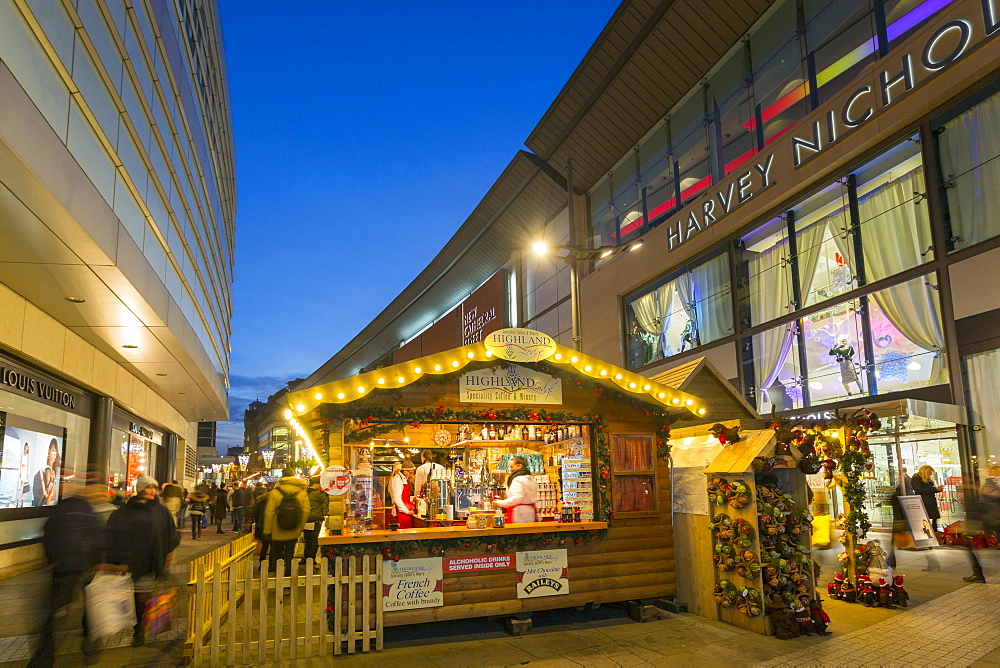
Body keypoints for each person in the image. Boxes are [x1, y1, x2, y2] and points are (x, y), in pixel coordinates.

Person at [29, 483, 106, 667]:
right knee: (91, 610)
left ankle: (42, 660)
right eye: (99, 494)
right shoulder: (88, 511)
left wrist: (51, 560)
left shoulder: (61, 509)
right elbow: (98, 538)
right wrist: (97, 562)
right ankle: (90, 648)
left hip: (62, 567)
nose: (102, 497)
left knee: (52, 615)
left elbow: (47, 533)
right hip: (84, 568)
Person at [102, 475, 180, 647]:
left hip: (151, 564)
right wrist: (113, 562)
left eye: (154, 487)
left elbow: (171, 537)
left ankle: (139, 629)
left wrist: (168, 560)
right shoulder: (123, 512)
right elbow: (112, 537)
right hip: (129, 564)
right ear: (139, 489)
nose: (152, 491)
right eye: (148, 487)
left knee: (141, 599)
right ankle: (135, 626)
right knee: (131, 600)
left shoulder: (162, 512)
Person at [263, 469, 308, 572]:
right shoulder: (302, 492)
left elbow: (269, 512)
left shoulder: (275, 492)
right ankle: (288, 575)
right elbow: (306, 511)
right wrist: (300, 527)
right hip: (294, 528)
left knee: (277, 554)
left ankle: (279, 578)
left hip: (277, 529)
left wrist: (267, 530)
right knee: (290, 554)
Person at [964, 466, 1000, 583]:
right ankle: (977, 574)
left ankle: (978, 574)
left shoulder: (991, 481)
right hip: (992, 517)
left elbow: (987, 496)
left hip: (990, 517)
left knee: (968, 542)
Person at [494, 456, 539, 523]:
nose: (510, 470)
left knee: (520, 532)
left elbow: (517, 498)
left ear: (519, 466)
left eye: (512, 467)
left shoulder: (518, 480)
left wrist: (499, 503)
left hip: (520, 514)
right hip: (530, 512)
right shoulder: (531, 479)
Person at [302, 476, 328, 567]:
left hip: (306, 520)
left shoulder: (305, 493)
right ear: (316, 484)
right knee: (315, 541)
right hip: (314, 519)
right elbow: (324, 500)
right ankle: (311, 558)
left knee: (308, 540)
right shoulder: (315, 494)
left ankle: (306, 557)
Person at [912, 465, 943, 533]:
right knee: (925, 518)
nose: (930, 474)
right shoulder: (916, 478)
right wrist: (934, 489)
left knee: (934, 517)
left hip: (930, 500)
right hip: (923, 501)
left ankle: (935, 531)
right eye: (929, 472)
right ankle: (927, 532)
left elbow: (929, 489)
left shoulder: (927, 479)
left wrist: (937, 490)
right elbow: (919, 489)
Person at [387, 460, 416, 529]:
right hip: (401, 512)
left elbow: (404, 496)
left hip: (406, 512)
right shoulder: (397, 480)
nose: (411, 475)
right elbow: (397, 499)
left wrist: (412, 498)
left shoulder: (404, 479)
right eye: (410, 472)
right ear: (405, 471)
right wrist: (407, 511)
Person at [32, 439, 61, 506]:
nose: (54, 454)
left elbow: (54, 496)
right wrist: (53, 482)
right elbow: (48, 499)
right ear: (49, 451)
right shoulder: (48, 470)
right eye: (53, 450)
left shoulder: (52, 471)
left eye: (56, 452)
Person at [252, 484, 272, 568]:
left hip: (262, 525)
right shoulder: (273, 502)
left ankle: (262, 564)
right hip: (272, 525)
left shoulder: (260, 502)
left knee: (264, 545)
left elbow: (255, 514)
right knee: (273, 546)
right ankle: (272, 564)